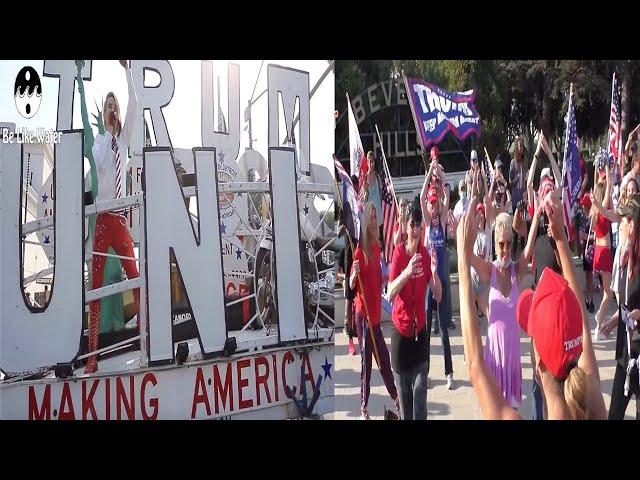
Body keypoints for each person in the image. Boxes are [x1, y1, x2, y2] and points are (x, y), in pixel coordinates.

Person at [457, 193, 607, 420]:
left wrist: (462, 255)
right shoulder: (595, 407)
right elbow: (584, 329)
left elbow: (475, 366)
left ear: (538, 365)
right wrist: (560, 240)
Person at [86, 60, 140, 374]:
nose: (111, 109)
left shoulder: (124, 140)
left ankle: (144, 336)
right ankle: (92, 356)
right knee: (95, 285)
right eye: (108, 106)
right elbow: (102, 165)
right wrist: (106, 131)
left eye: (113, 105)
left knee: (134, 275)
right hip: (102, 220)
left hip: (119, 220)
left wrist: (128, 71)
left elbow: (135, 105)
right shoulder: (102, 143)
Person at [387, 198, 442, 420]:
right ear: (405, 226)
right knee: (406, 408)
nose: (416, 230)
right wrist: (407, 272)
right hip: (401, 337)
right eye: (412, 224)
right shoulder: (399, 254)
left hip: (420, 336)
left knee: (420, 393)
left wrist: (435, 272)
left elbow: (437, 295)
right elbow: (390, 293)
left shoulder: (425, 254)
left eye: (419, 225)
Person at [350, 202, 400, 420]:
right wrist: (354, 274)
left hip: (376, 316)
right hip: (364, 317)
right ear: (365, 222)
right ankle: (363, 406)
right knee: (366, 363)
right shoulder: (359, 252)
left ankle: (397, 400)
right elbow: (352, 285)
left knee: (384, 361)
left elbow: (381, 280)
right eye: (370, 217)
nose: (373, 220)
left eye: (374, 217)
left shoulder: (378, 250)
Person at [420, 172, 455, 388]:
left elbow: (448, 196)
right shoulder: (426, 223)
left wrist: (439, 176)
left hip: (440, 282)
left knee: (443, 330)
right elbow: (424, 193)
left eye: (436, 203)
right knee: (425, 332)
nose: (434, 207)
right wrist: (429, 174)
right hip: (428, 285)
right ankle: (425, 373)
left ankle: (449, 372)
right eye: (431, 204)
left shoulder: (441, 222)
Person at [608, 192, 640, 419]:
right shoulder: (623, 257)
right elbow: (625, 305)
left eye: (627, 220)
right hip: (624, 354)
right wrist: (612, 321)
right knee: (614, 415)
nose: (622, 224)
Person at [590, 158, 614, 339]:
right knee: (608, 292)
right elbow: (610, 185)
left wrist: (599, 173)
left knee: (608, 291)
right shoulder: (603, 206)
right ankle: (599, 324)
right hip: (604, 253)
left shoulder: (594, 208)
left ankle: (600, 322)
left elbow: (601, 185)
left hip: (598, 252)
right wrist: (606, 163)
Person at [509, 136, 528, 258]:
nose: (520, 148)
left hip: (523, 197)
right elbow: (509, 181)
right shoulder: (513, 163)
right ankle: (514, 255)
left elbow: (527, 179)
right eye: (519, 146)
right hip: (516, 198)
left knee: (524, 226)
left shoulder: (524, 162)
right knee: (516, 227)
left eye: (522, 146)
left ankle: (524, 255)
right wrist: (515, 180)